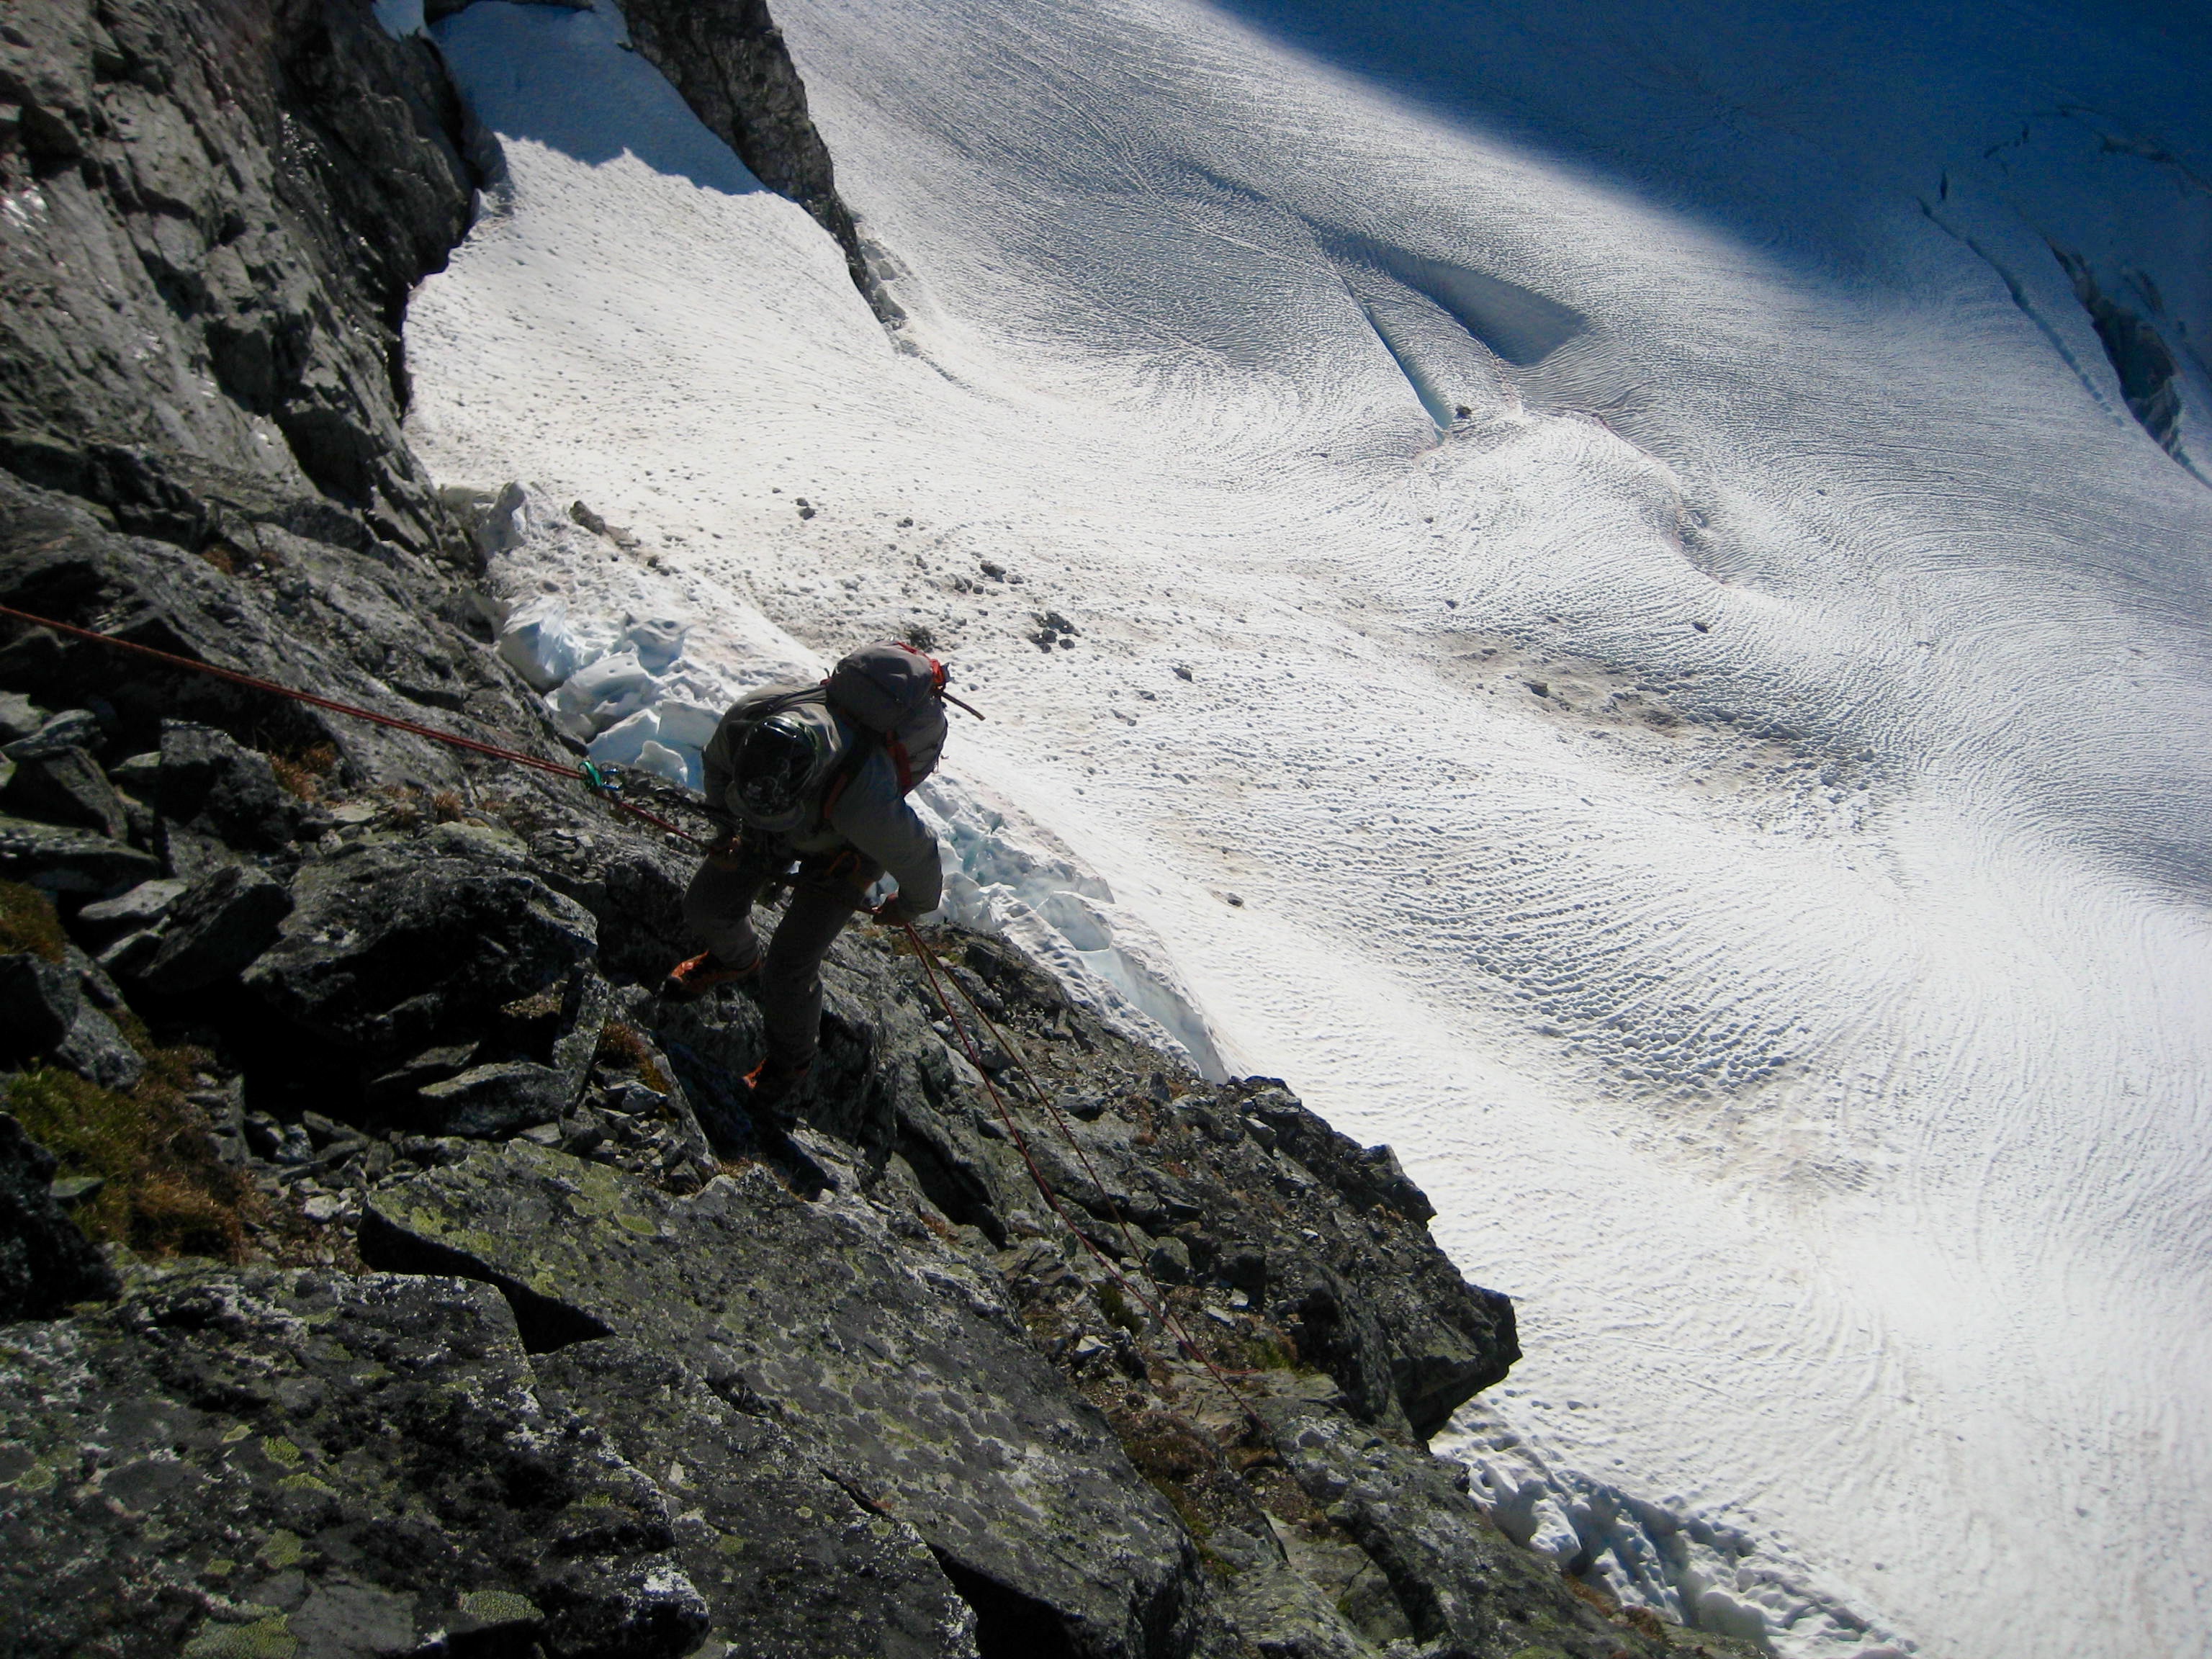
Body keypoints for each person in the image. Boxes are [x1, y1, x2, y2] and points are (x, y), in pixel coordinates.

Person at [663, 643, 953, 1146]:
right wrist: (724, 829)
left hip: (845, 852)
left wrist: (907, 908)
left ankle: (789, 1063)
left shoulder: (864, 798)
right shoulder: (755, 717)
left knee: (791, 967)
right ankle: (734, 958)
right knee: (706, 908)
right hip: (766, 816)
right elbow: (718, 766)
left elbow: (919, 859)